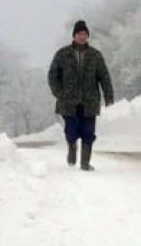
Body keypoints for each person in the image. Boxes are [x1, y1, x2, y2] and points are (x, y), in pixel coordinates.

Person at [48, 20, 114, 170]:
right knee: (71, 129)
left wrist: (108, 94)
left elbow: (104, 76)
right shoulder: (62, 54)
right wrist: (59, 93)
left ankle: (85, 162)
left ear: (88, 36)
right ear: (74, 36)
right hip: (68, 101)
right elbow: (53, 75)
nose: (82, 37)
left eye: (85, 34)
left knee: (88, 131)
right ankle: (72, 146)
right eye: (79, 34)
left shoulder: (95, 55)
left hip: (89, 100)